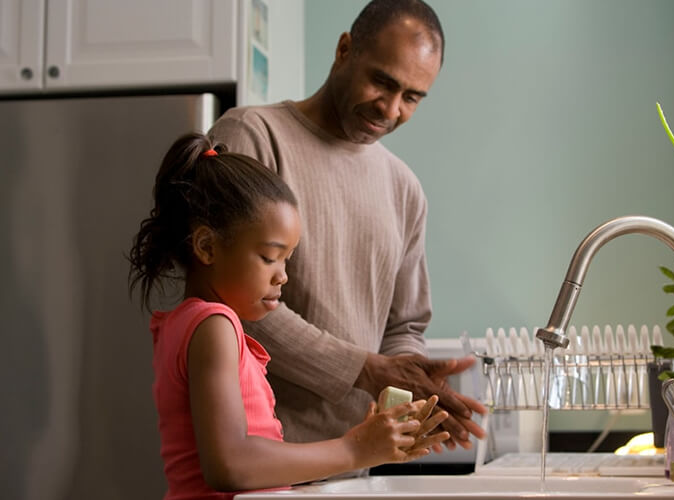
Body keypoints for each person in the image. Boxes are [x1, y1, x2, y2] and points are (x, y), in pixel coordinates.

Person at [208, 0, 486, 452]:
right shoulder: (252, 136)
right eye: (383, 81)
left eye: (412, 97)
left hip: (354, 462)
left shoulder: (405, 189)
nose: (391, 109)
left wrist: (411, 381)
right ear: (344, 50)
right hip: (258, 458)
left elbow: (404, 325)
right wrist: (366, 369)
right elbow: (229, 298)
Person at [128, 133, 449, 499]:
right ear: (206, 247)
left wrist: (365, 441)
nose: (282, 275)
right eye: (269, 257)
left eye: (287, 259)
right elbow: (230, 464)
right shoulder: (214, 326)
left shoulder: (188, 323)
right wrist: (354, 449)